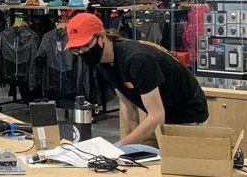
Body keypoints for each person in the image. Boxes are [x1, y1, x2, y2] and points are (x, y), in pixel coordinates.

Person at [64, 12, 208, 147]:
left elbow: (157, 115)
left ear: (102, 36)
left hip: (186, 118)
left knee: (171, 164)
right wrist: (128, 147)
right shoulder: (103, 61)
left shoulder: (137, 60)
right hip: (159, 118)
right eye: (77, 49)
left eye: (86, 46)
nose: (83, 52)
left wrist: (120, 146)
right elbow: (127, 103)